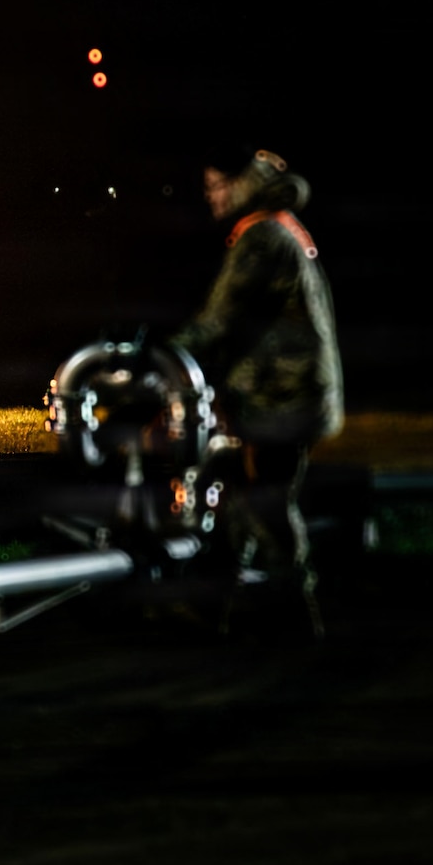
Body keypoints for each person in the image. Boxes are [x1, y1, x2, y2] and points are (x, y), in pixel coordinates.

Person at [170, 146, 344, 637]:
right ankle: (215, 603)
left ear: (244, 182)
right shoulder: (280, 225)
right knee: (233, 489)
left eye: (217, 186)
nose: (210, 196)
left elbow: (217, 323)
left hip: (282, 399)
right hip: (294, 393)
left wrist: (157, 356)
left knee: (264, 500)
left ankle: (293, 614)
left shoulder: (261, 237)